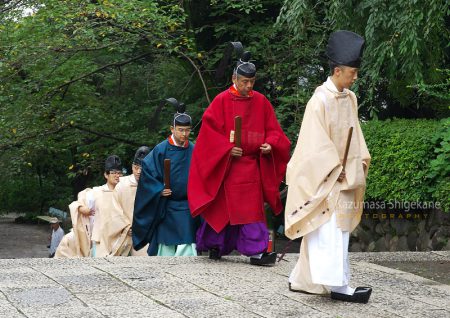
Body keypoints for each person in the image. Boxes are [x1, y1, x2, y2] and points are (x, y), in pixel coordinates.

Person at [285, 30, 372, 303]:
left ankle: (303, 279)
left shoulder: (351, 98)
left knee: (338, 230)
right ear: (337, 70)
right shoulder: (319, 100)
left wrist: (355, 163)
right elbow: (313, 143)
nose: (355, 77)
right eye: (352, 72)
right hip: (327, 177)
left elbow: (355, 135)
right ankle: (337, 286)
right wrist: (334, 169)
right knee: (327, 230)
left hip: (346, 176)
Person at [188, 42, 291, 265]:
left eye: (252, 82)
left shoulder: (261, 101)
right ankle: (216, 246)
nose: (248, 86)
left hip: (251, 165)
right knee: (223, 209)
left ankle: (256, 250)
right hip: (228, 167)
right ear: (234, 79)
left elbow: (275, 131)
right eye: (244, 81)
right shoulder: (221, 101)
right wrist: (226, 149)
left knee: (251, 210)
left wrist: (270, 144)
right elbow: (208, 136)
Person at [132, 98, 199, 256]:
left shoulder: (194, 149)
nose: (184, 134)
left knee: (188, 242)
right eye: (181, 130)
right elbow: (147, 173)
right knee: (165, 248)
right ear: (172, 129)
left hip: (188, 205)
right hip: (167, 205)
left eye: (187, 130)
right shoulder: (160, 150)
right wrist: (159, 190)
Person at [55, 155, 123, 258]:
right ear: (106, 175)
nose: (117, 175)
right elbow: (77, 203)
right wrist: (81, 208)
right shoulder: (96, 192)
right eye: (113, 173)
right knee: (68, 241)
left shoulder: (124, 192)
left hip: (119, 237)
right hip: (99, 238)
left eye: (119, 173)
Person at [112, 146, 151, 256]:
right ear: (132, 167)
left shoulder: (156, 185)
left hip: (149, 234)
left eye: (142, 168)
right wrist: (126, 227)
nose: (138, 171)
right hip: (125, 233)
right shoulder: (122, 185)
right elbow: (115, 210)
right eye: (136, 167)